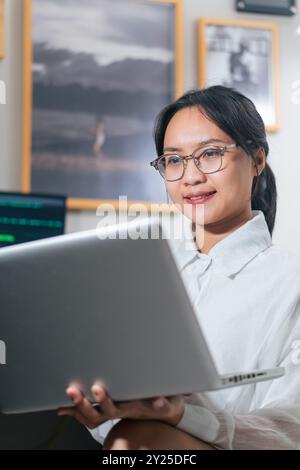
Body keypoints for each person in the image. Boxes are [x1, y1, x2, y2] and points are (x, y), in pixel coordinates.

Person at [57, 86, 300, 450]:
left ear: (257, 159)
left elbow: (292, 426)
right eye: (174, 160)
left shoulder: (290, 280)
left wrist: (183, 416)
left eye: (210, 154)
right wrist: (104, 413)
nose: (191, 177)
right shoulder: (143, 275)